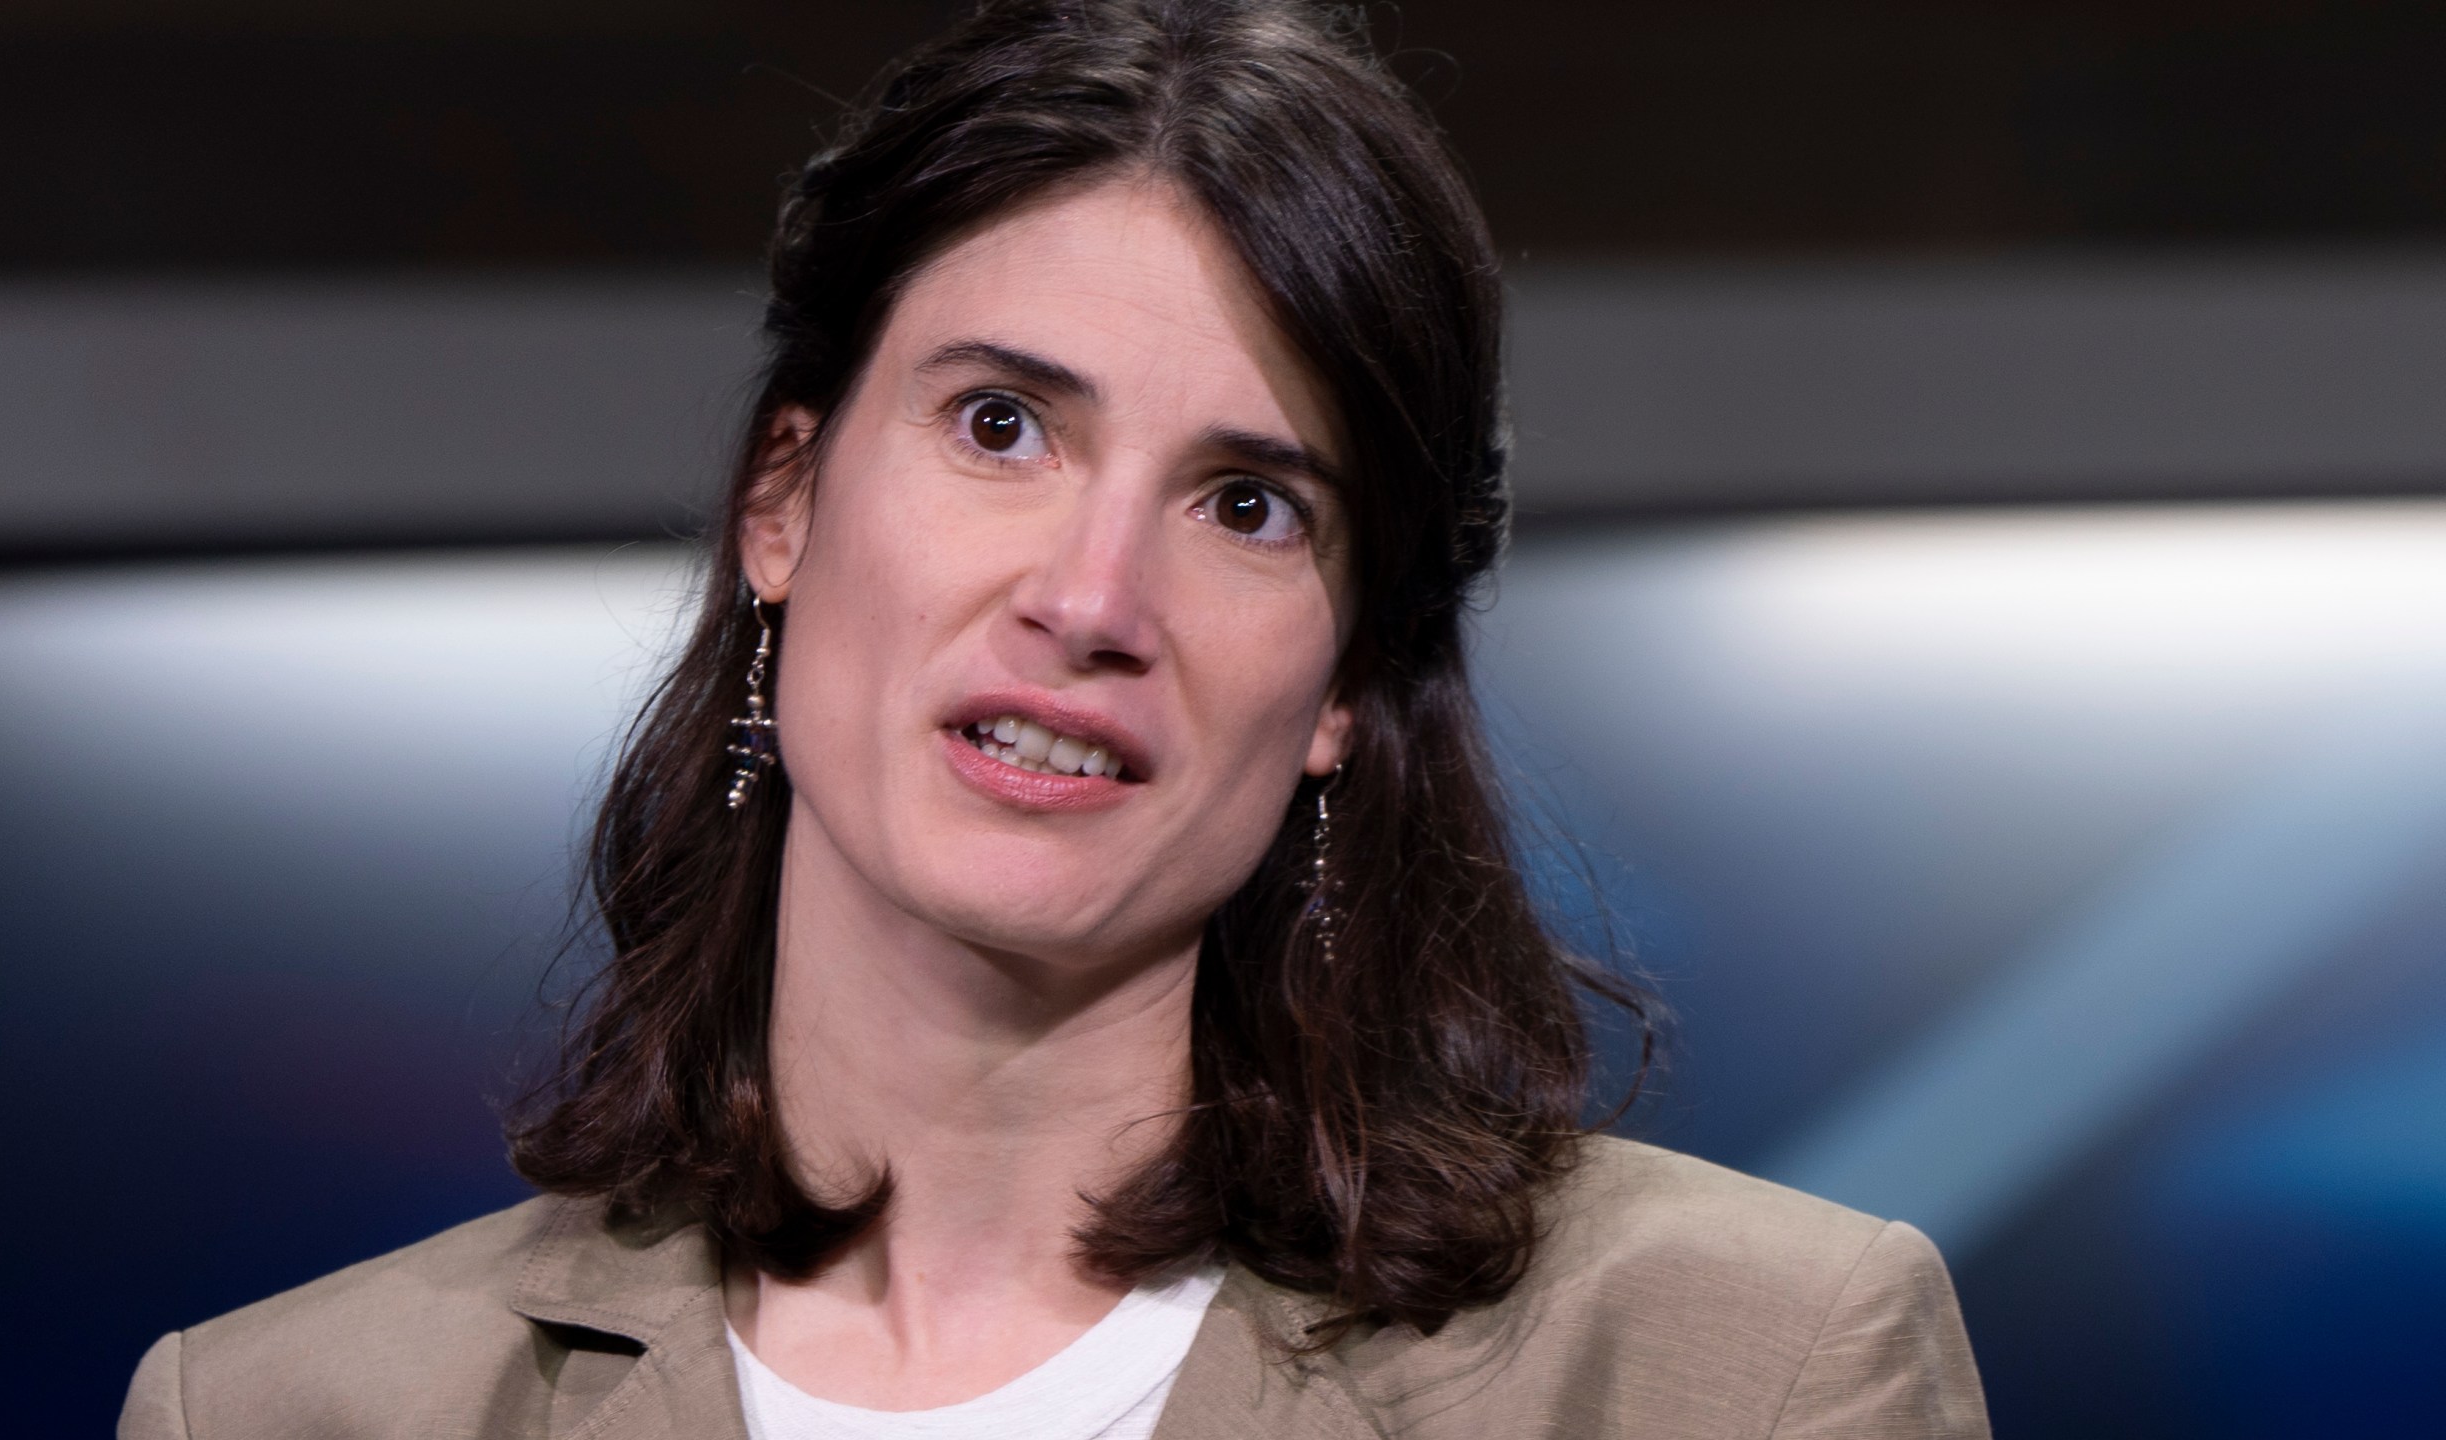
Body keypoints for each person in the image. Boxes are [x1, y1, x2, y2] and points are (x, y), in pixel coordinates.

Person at [120, 2, 1989, 1436]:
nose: (1091, 602)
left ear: (1345, 685)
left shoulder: (1734, 1371)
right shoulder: (294, 1410)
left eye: (1248, 505)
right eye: (1001, 424)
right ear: (786, 499)